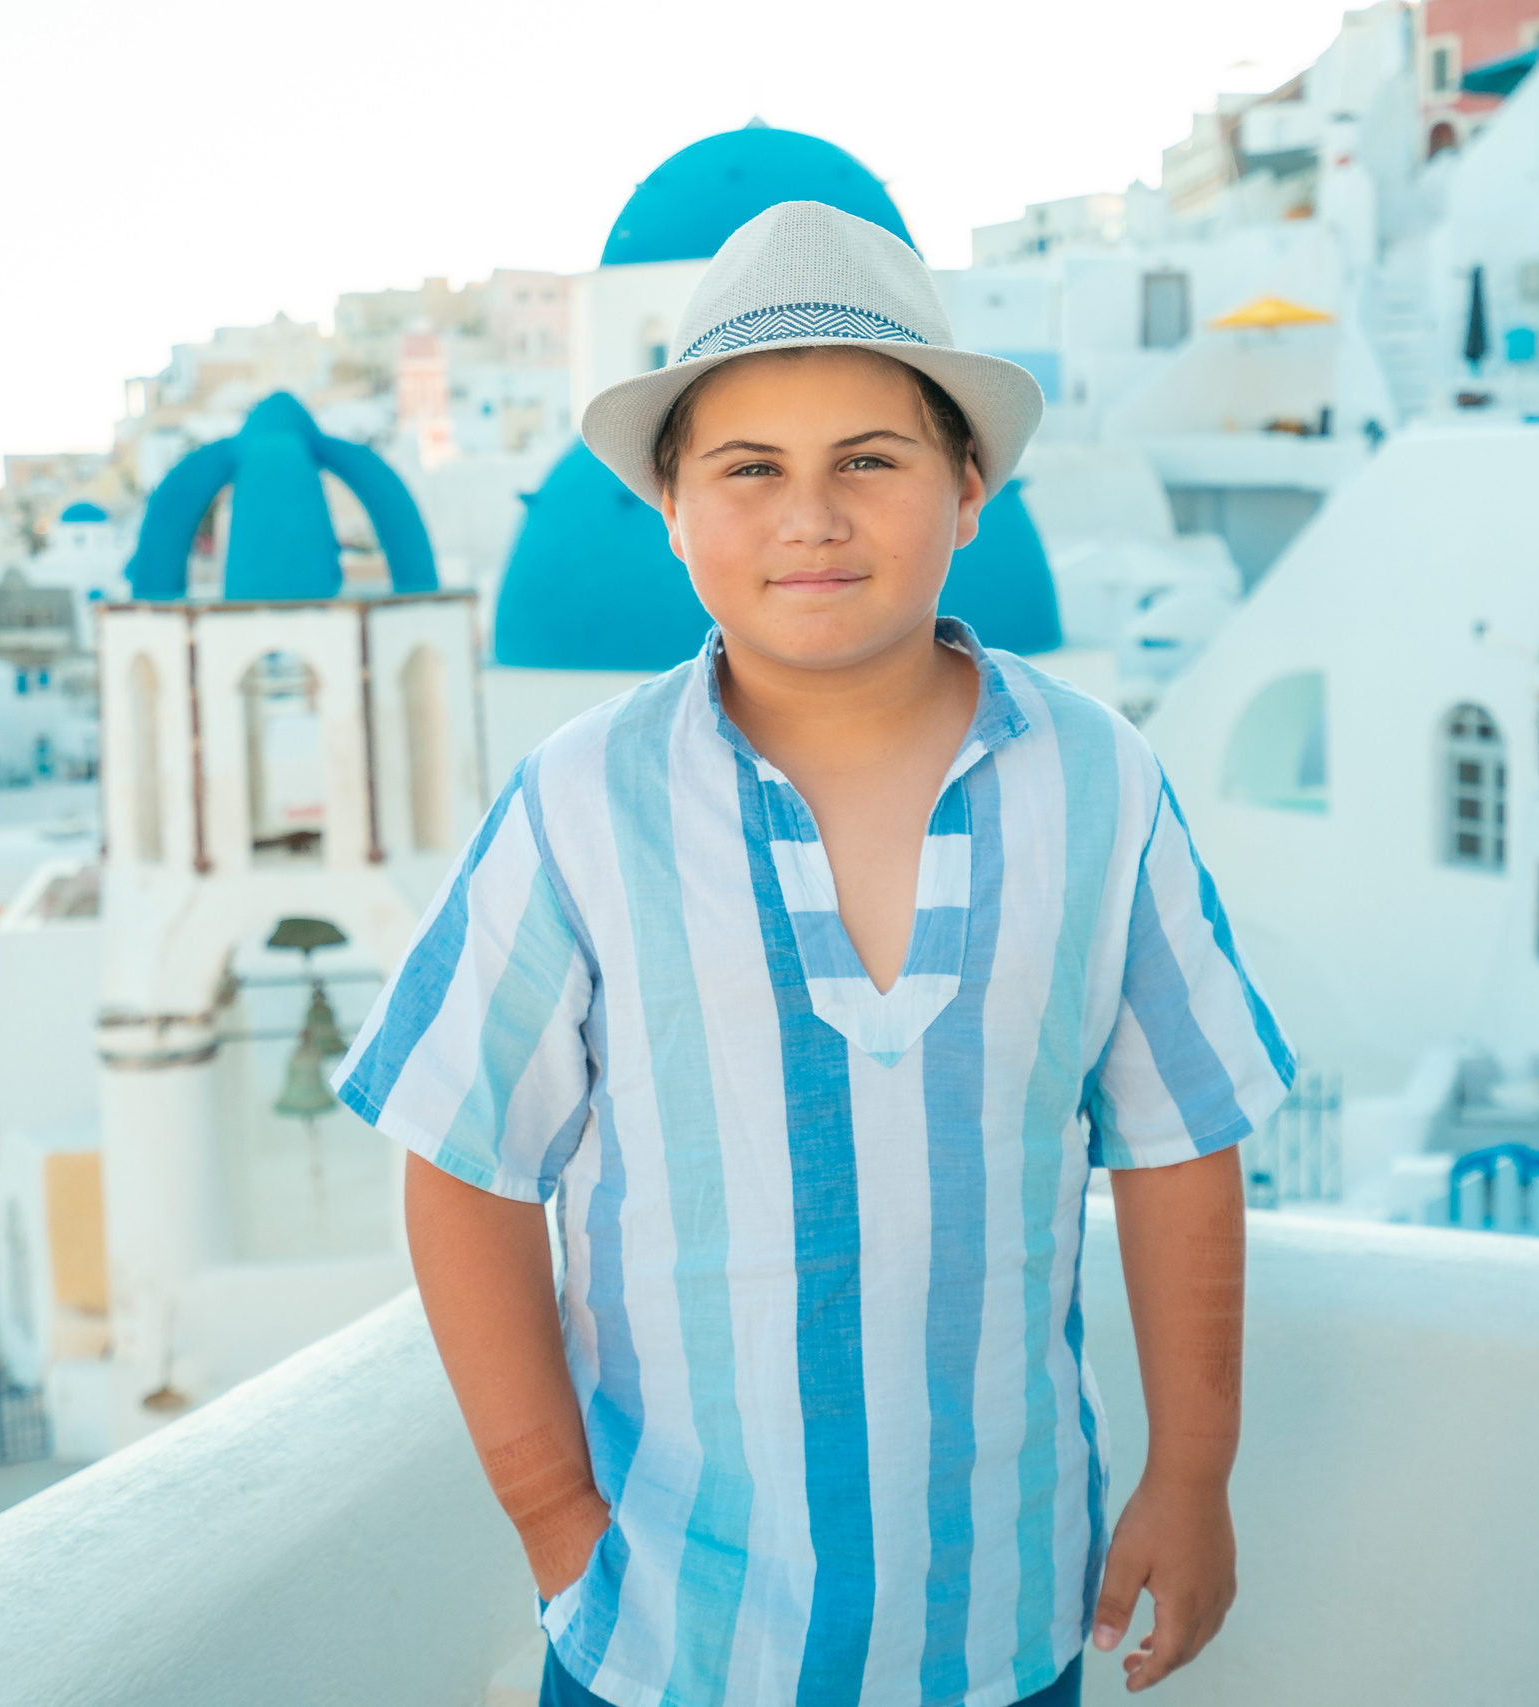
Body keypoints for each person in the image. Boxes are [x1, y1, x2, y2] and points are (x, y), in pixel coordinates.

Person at [335, 200, 1293, 1707]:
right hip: (662, 1643)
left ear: (969, 487)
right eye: (750, 470)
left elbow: (1181, 1144)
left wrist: (1195, 1471)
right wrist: (554, 1524)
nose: (811, 517)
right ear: (672, 508)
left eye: (870, 460)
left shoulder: (1101, 784)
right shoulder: (585, 803)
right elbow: (463, 1163)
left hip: (1002, 1627)